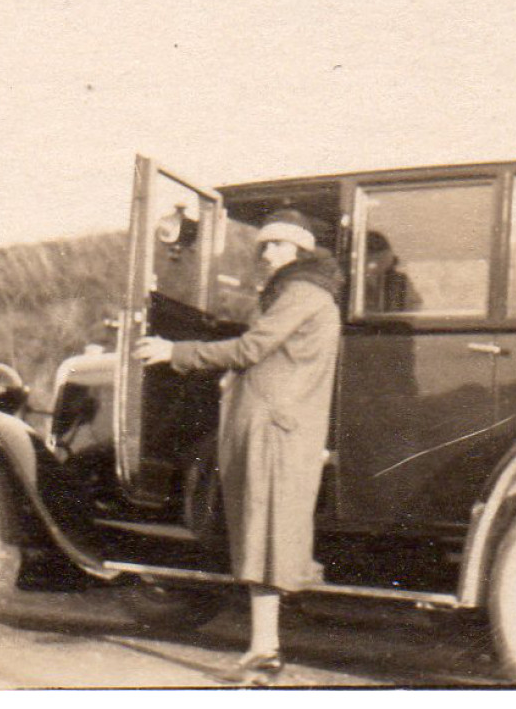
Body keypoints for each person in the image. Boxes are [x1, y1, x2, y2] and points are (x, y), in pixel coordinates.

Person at [133, 209, 341, 686]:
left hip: (272, 431)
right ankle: (262, 648)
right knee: (260, 537)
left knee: (264, 537)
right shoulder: (300, 293)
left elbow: (251, 350)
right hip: (274, 427)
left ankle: (266, 654)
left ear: (301, 251)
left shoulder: (301, 294)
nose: (268, 252)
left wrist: (175, 352)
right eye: (265, 245)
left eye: (279, 245)